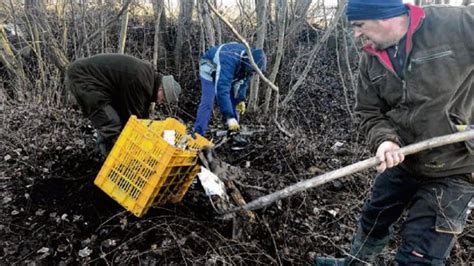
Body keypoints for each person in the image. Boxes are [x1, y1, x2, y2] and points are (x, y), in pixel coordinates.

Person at [316, 1, 473, 265]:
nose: (356, 34)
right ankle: (358, 262)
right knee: (374, 217)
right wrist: (384, 140)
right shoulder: (371, 58)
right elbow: (368, 111)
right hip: (403, 159)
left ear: (383, 16)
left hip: (456, 166)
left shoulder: (454, 24)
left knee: (419, 254)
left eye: (359, 25)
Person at [65, 53, 182, 156]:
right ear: (161, 89)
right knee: (112, 123)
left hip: (100, 86)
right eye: (163, 99)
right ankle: (109, 162)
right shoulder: (141, 81)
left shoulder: (147, 79)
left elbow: (141, 114)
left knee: (113, 119)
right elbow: (133, 120)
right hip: (83, 79)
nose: (161, 103)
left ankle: (101, 152)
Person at [193, 42, 266, 137]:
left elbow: (242, 84)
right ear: (251, 64)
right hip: (209, 68)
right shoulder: (229, 58)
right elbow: (222, 89)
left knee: (235, 101)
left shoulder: (248, 66)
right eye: (254, 71)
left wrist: (240, 99)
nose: (254, 74)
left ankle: (233, 133)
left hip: (226, 75)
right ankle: (197, 134)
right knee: (208, 102)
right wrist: (229, 117)